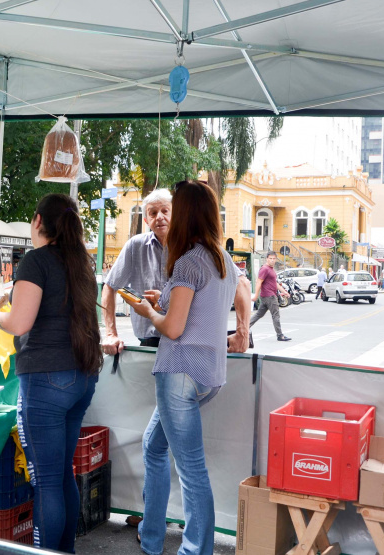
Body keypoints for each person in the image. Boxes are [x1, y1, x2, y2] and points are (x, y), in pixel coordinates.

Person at [0, 193, 101, 552]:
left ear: (37, 221)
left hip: (47, 379)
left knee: (46, 480)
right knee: (62, 474)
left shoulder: (36, 260)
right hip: (82, 377)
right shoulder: (81, 262)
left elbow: (18, 323)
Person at [128, 180, 239, 555]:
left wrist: (149, 312)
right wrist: (167, 302)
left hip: (180, 373)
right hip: (209, 375)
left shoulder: (190, 260)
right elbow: (201, 311)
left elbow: (173, 328)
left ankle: (194, 550)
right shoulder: (223, 260)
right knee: (153, 446)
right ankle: (152, 537)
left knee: (191, 471)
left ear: (185, 213)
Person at [101, 188, 172, 354]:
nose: (159, 217)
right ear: (146, 220)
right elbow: (110, 286)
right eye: (153, 213)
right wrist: (111, 334)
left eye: (165, 211)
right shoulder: (136, 245)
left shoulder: (189, 247)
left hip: (185, 342)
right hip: (149, 344)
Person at [249, 252, 291, 341]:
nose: (272, 260)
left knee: (259, 314)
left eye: (274, 258)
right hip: (270, 296)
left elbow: (275, 283)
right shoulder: (265, 269)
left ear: (276, 259)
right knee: (276, 315)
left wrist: (284, 292)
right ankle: (280, 335)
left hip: (266, 296)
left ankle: (243, 328)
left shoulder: (271, 269)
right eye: (270, 258)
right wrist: (256, 295)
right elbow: (259, 282)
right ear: (267, 259)